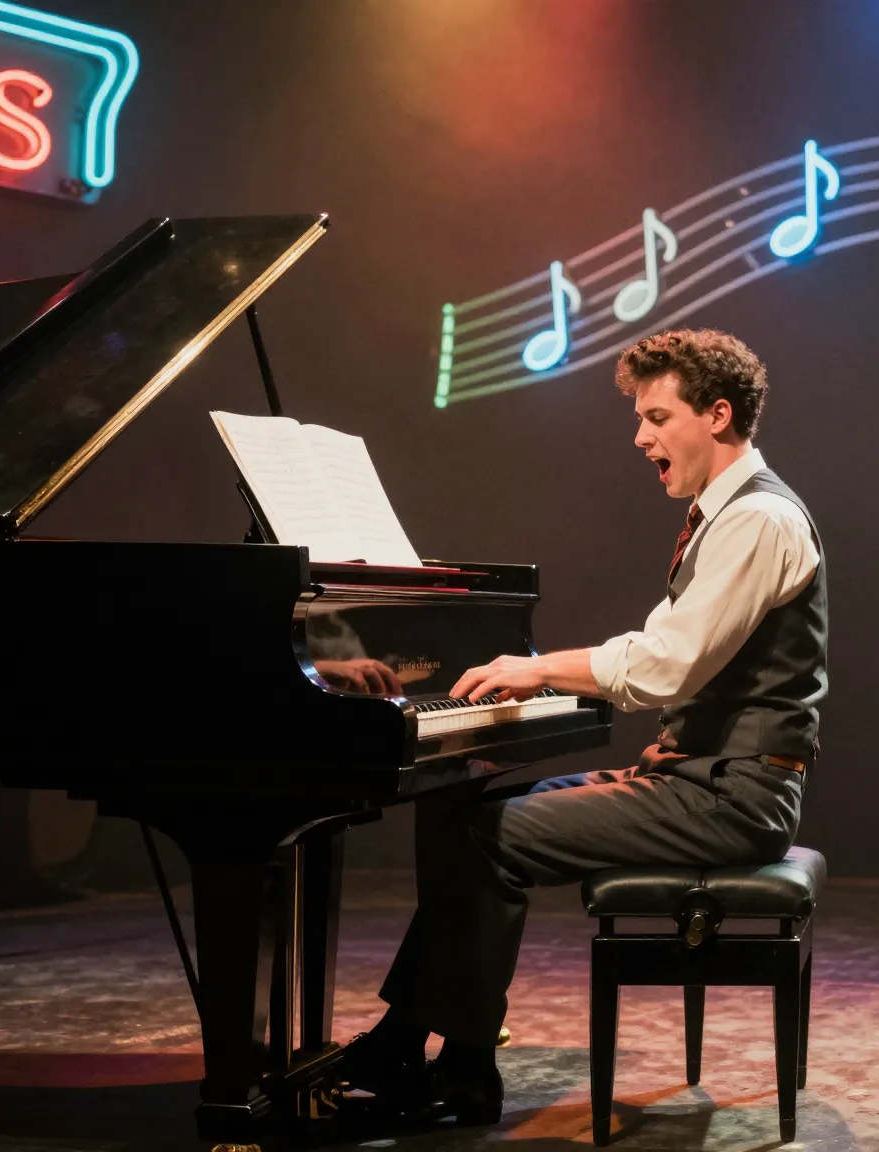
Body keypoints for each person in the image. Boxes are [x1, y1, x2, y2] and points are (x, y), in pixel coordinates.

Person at [340, 329, 827, 1124]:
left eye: (657, 417)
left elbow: (664, 666)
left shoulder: (758, 520)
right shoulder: (727, 517)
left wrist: (537, 671)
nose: (640, 437)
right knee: (458, 811)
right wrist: (551, 676)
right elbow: (663, 654)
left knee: (483, 838)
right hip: (700, 779)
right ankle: (409, 1045)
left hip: (735, 798)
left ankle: (459, 1068)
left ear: (717, 415)